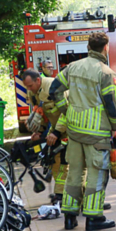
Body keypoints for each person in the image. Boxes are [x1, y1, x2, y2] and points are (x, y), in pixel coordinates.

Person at [48, 31, 116, 231]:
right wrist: (115, 125)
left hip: (74, 131)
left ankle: (70, 217)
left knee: (75, 173)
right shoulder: (106, 73)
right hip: (97, 133)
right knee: (97, 174)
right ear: (105, 48)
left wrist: (66, 110)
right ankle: (94, 217)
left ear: (88, 48)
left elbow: (54, 90)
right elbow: (111, 104)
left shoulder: (72, 67)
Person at [20, 68, 68, 205]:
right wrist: (39, 132)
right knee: (54, 162)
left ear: (38, 80)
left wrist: (57, 132)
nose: (29, 89)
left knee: (64, 163)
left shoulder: (54, 87)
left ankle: (62, 196)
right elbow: (41, 113)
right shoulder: (34, 92)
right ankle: (61, 195)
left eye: (30, 86)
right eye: (26, 86)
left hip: (70, 128)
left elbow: (67, 112)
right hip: (56, 129)